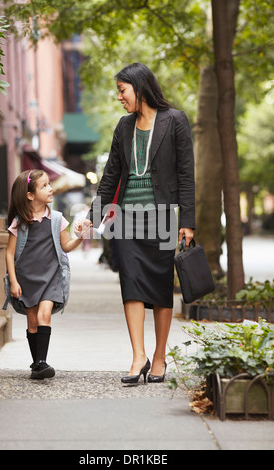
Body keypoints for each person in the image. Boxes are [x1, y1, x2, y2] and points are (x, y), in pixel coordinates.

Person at [75, 63, 195, 384]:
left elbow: (186, 175)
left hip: (161, 216)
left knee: (158, 288)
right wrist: (93, 217)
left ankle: (159, 357)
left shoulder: (175, 121)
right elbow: (110, 175)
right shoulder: (123, 127)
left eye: (122, 90)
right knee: (130, 282)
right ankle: (138, 355)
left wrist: (188, 221)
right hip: (125, 217)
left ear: (139, 89)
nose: (119, 98)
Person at [6, 169, 88, 379]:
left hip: (51, 276)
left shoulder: (57, 218)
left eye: (49, 184)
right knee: (32, 322)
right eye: (44, 186)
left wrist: (79, 237)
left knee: (44, 315)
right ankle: (37, 365)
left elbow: (66, 246)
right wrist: (14, 282)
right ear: (30, 195)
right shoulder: (20, 221)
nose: (50, 188)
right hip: (27, 278)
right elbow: (9, 253)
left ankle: (41, 362)